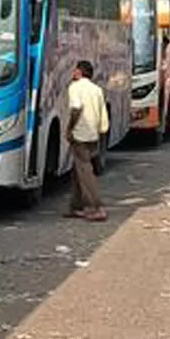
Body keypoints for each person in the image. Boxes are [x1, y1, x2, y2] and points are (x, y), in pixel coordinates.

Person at [65, 59, 109, 222]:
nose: (73, 72)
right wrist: (101, 130)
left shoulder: (75, 88)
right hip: (93, 135)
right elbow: (103, 113)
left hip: (80, 135)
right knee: (78, 170)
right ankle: (76, 206)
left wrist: (69, 129)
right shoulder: (97, 90)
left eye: (75, 70)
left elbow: (76, 108)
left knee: (85, 171)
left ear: (79, 72)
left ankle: (96, 206)